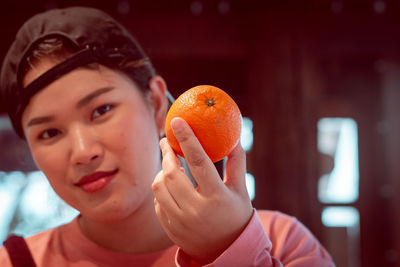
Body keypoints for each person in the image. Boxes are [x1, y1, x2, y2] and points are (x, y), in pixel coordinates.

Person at [0, 6, 335, 267]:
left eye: (101, 110)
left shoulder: (280, 243)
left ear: (157, 103)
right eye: (49, 132)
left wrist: (232, 249)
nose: (83, 152)